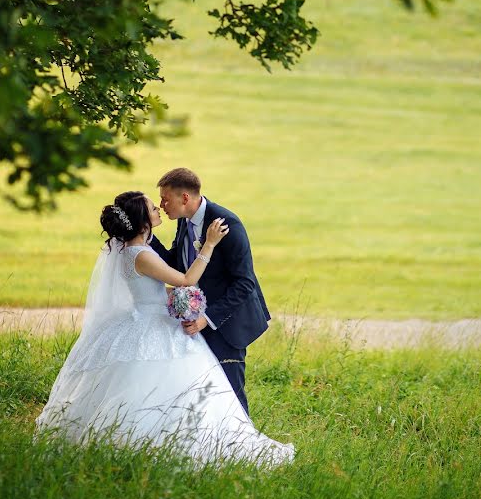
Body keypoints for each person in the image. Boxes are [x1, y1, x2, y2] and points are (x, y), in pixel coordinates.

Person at [35, 191, 293, 467]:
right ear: (142, 220)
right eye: (152, 207)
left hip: (150, 316)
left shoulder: (130, 250)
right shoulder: (141, 255)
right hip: (154, 325)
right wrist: (209, 245)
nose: (158, 208)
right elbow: (186, 279)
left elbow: (155, 285)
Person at [148, 168, 269, 415]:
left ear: (184, 198)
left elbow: (245, 284)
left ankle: (243, 447)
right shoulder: (184, 221)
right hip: (195, 320)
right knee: (204, 391)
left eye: (165, 198)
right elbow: (180, 265)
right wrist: (146, 237)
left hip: (226, 323)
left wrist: (207, 319)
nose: (161, 205)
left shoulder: (226, 224)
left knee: (230, 392)